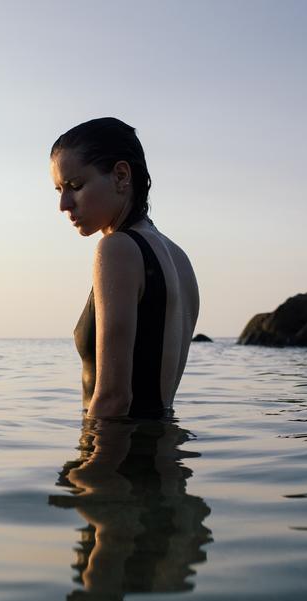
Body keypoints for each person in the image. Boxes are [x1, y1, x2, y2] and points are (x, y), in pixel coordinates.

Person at [50, 117, 199, 419]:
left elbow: (113, 398)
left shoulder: (117, 249)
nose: (64, 204)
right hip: (166, 443)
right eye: (59, 190)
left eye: (75, 186)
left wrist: (93, 450)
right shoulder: (180, 259)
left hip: (120, 447)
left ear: (121, 176)